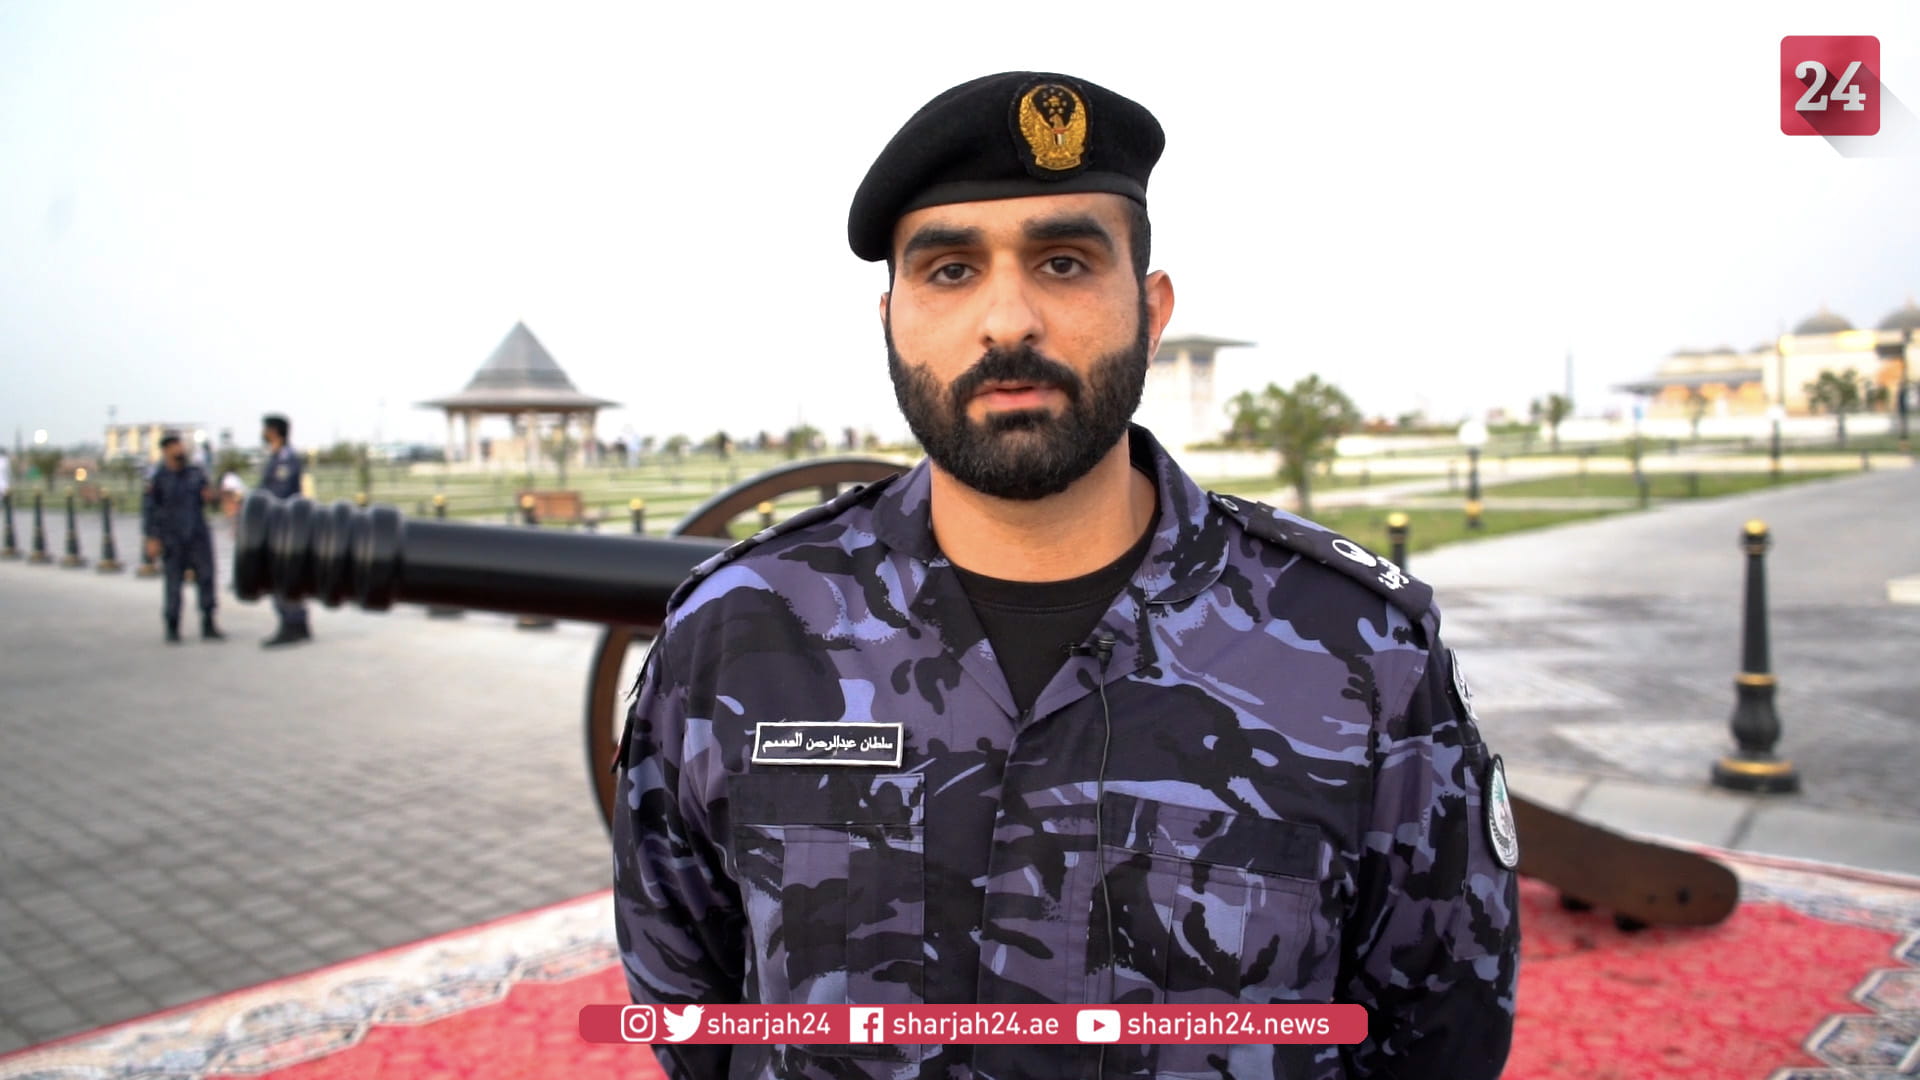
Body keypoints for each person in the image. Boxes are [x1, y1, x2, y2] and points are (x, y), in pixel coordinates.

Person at [613, 72, 1520, 1079]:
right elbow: (689, 1002)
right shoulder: (741, 634)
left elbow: (1440, 1032)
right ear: (891, 317)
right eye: (950, 271)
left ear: (1152, 305)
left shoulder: (1363, 654)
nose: (1008, 320)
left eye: (1064, 262)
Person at [141, 433, 223, 643]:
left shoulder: (196, 474)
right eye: (175, 446)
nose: (180, 449)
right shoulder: (157, 478)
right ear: (166, 450)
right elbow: (150, 509)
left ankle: (208, 623)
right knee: (173, 584)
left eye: (181, 445)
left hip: (197, 534)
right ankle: (172, 626)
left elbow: (210, 499)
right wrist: (151, 537)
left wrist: (213, 497)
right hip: (172, 537)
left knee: (206, 578)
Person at [259, 414, 312, 647]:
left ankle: (292, 624)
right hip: (278, 525)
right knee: (286, 575)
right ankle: (297, 624)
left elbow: (279, 494)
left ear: (274, 431)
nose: (262, 433)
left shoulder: (285, 459)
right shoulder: (276, 457)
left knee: (282, 576)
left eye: (265, 429)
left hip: (283, 527)